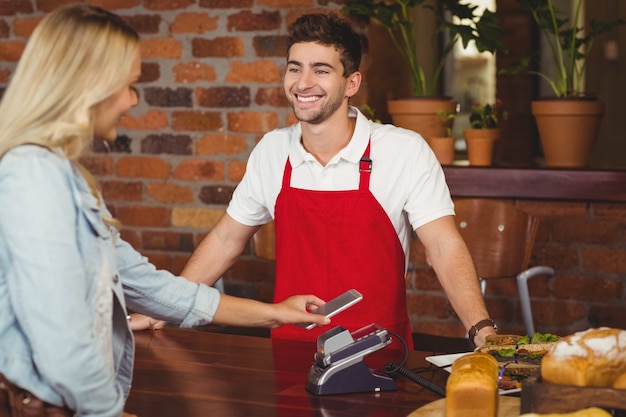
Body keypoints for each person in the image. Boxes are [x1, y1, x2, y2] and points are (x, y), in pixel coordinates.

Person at [0, 4, 330, 417]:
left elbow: (151, 287)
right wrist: (108, 412)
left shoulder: (68, 178)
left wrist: (277, 313)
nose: (132, 100)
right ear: (89, 85)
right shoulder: (32, 175)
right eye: (129, 84)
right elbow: (59, 336)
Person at [135, 13, 497, 349]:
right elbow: (227, 240)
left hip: (379, 354)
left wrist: (482, 330)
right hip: (291, 352)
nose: (303, 83)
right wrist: (166, 307)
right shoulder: (273, 150)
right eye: (295, 68)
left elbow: (443, 248)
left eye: (321, 70)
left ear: (351, 82)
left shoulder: (403, 151)